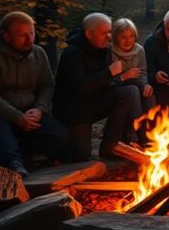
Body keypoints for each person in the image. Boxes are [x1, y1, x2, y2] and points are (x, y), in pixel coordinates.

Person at [0, 12, 68, 176]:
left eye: (31, 33)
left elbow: (47, 85)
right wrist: (16, 117)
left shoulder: (38, 54)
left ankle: (12, 151)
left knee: (60, 137)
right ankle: (13, 165)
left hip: (28, 111)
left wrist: (39, 109)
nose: (29, 39)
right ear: (6, 36)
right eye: (21, 35)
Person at [54, 13, 142, 162]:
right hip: (75, 110)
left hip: (95, 101)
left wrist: (131, 80)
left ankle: (111, 145)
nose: (108, 37)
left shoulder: (104, 50)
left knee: (130, 92)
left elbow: (109, 83)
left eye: (109, 32)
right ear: (89, 34)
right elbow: (80, 87)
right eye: (104, 33)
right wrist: (109, 72)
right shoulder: (72, 53)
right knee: (80, 156)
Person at [111, 18, 155, 113]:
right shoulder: (110, 51)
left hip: (137, 83)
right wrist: (125, 76)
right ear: (116, 37)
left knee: (149, 94)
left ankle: (151, 125)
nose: (128, 40)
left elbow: (143, 73)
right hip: (117, 85)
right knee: (133, 91)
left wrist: (145, 85)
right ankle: (136, 123)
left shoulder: (139, 50)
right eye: (123, 37)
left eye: (131, 36)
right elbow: (108, 80)